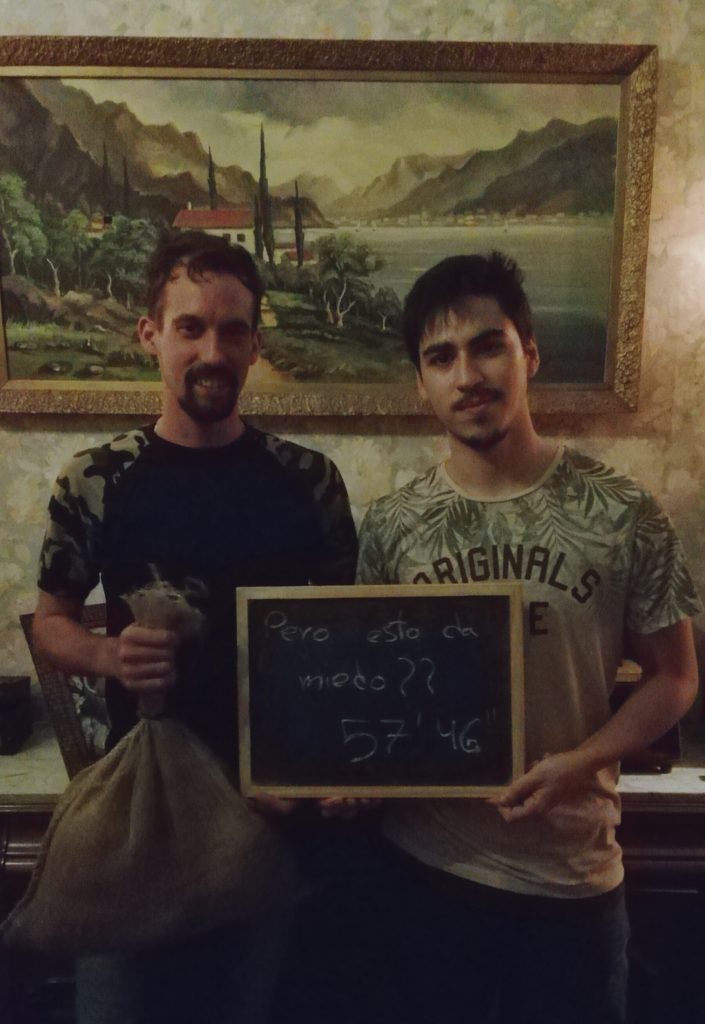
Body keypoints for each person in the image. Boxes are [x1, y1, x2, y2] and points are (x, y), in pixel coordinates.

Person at [356, 252, 701, 1024]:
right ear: (420, 382)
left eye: (487, 347)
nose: (466, 375)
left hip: (570, 879)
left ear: (529, 354)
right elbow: (377, 687)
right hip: (424, 872)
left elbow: (674, 677)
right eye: (440, 357)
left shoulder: (621, 512)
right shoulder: (391, 525)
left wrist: (579, 763)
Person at [31, 230, 358, 1024]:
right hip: (140, 823)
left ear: (254, 345)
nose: (212, 351)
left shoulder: (310, 482)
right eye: (190, 327)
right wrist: (109, 655)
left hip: (273, 825)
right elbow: (50, 623)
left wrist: (326, 772)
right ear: (149, 334)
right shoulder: (95, 479)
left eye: (232, 330)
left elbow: (348, 646)